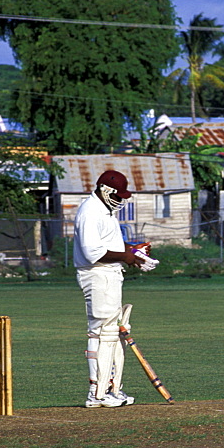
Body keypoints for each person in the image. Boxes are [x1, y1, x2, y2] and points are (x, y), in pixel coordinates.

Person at [74, 170, 143, 408]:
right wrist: (126, 256)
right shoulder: (90, 212)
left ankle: (110, 388)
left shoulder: (106, 210)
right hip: (97, 274)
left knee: (111, 333)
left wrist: (134, 251)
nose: (121, 200)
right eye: (118, 195)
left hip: (109, 274)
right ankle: (97, 392)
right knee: (101, 332)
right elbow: (93, 253)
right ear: (105, 190)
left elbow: (112, 244)